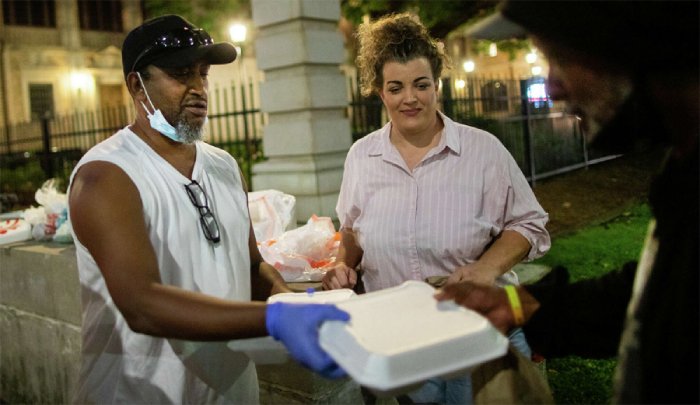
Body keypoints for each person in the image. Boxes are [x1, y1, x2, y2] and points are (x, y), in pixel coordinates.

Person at [68, 15, 349, 404]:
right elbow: (141, 304)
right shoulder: (107, 176)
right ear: (137, 85)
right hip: (140, 392)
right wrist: (273, 320)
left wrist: (292, 304)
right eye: (182, 75)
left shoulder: (224, 166)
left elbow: (251, 266)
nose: (199, 89)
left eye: (203, 74)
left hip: (231, 391)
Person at [435, 1, 699, 403]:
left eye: (558, 57)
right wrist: (527, 305)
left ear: (637, 44)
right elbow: (653, 293)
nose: (551, 85)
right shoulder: (682, 171)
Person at [321, 13, 550, 404]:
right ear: (380, 93)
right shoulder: (362, 156)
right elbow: (353, 230)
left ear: (437, 86)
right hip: (400, 342)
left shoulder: (482, 151)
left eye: (421, 85)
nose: (410, 98)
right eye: (396, 88)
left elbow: (530, 224)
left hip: (476, 337)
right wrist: (343, 266)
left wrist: (487, 268)